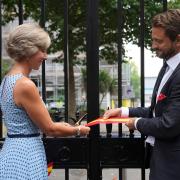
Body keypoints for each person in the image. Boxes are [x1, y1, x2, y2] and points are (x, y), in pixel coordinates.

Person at [0, 23, 90, 180]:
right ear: (28, 50)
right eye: (42, 50)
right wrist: (78, 131)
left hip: (11, 152)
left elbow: (33, 123)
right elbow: (50, 129)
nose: (45, 56)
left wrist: (61, 125)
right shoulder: (25, 84)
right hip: (26, 155)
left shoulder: (7, 81)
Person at [103, 9, 180, 180]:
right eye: (153, 39)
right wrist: (124, 112)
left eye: (158, 41)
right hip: (162, 161)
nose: (153, 45)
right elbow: (156, 112)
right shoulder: (168, 67)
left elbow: (169, 125)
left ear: (178, 40)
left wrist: (136, 123)